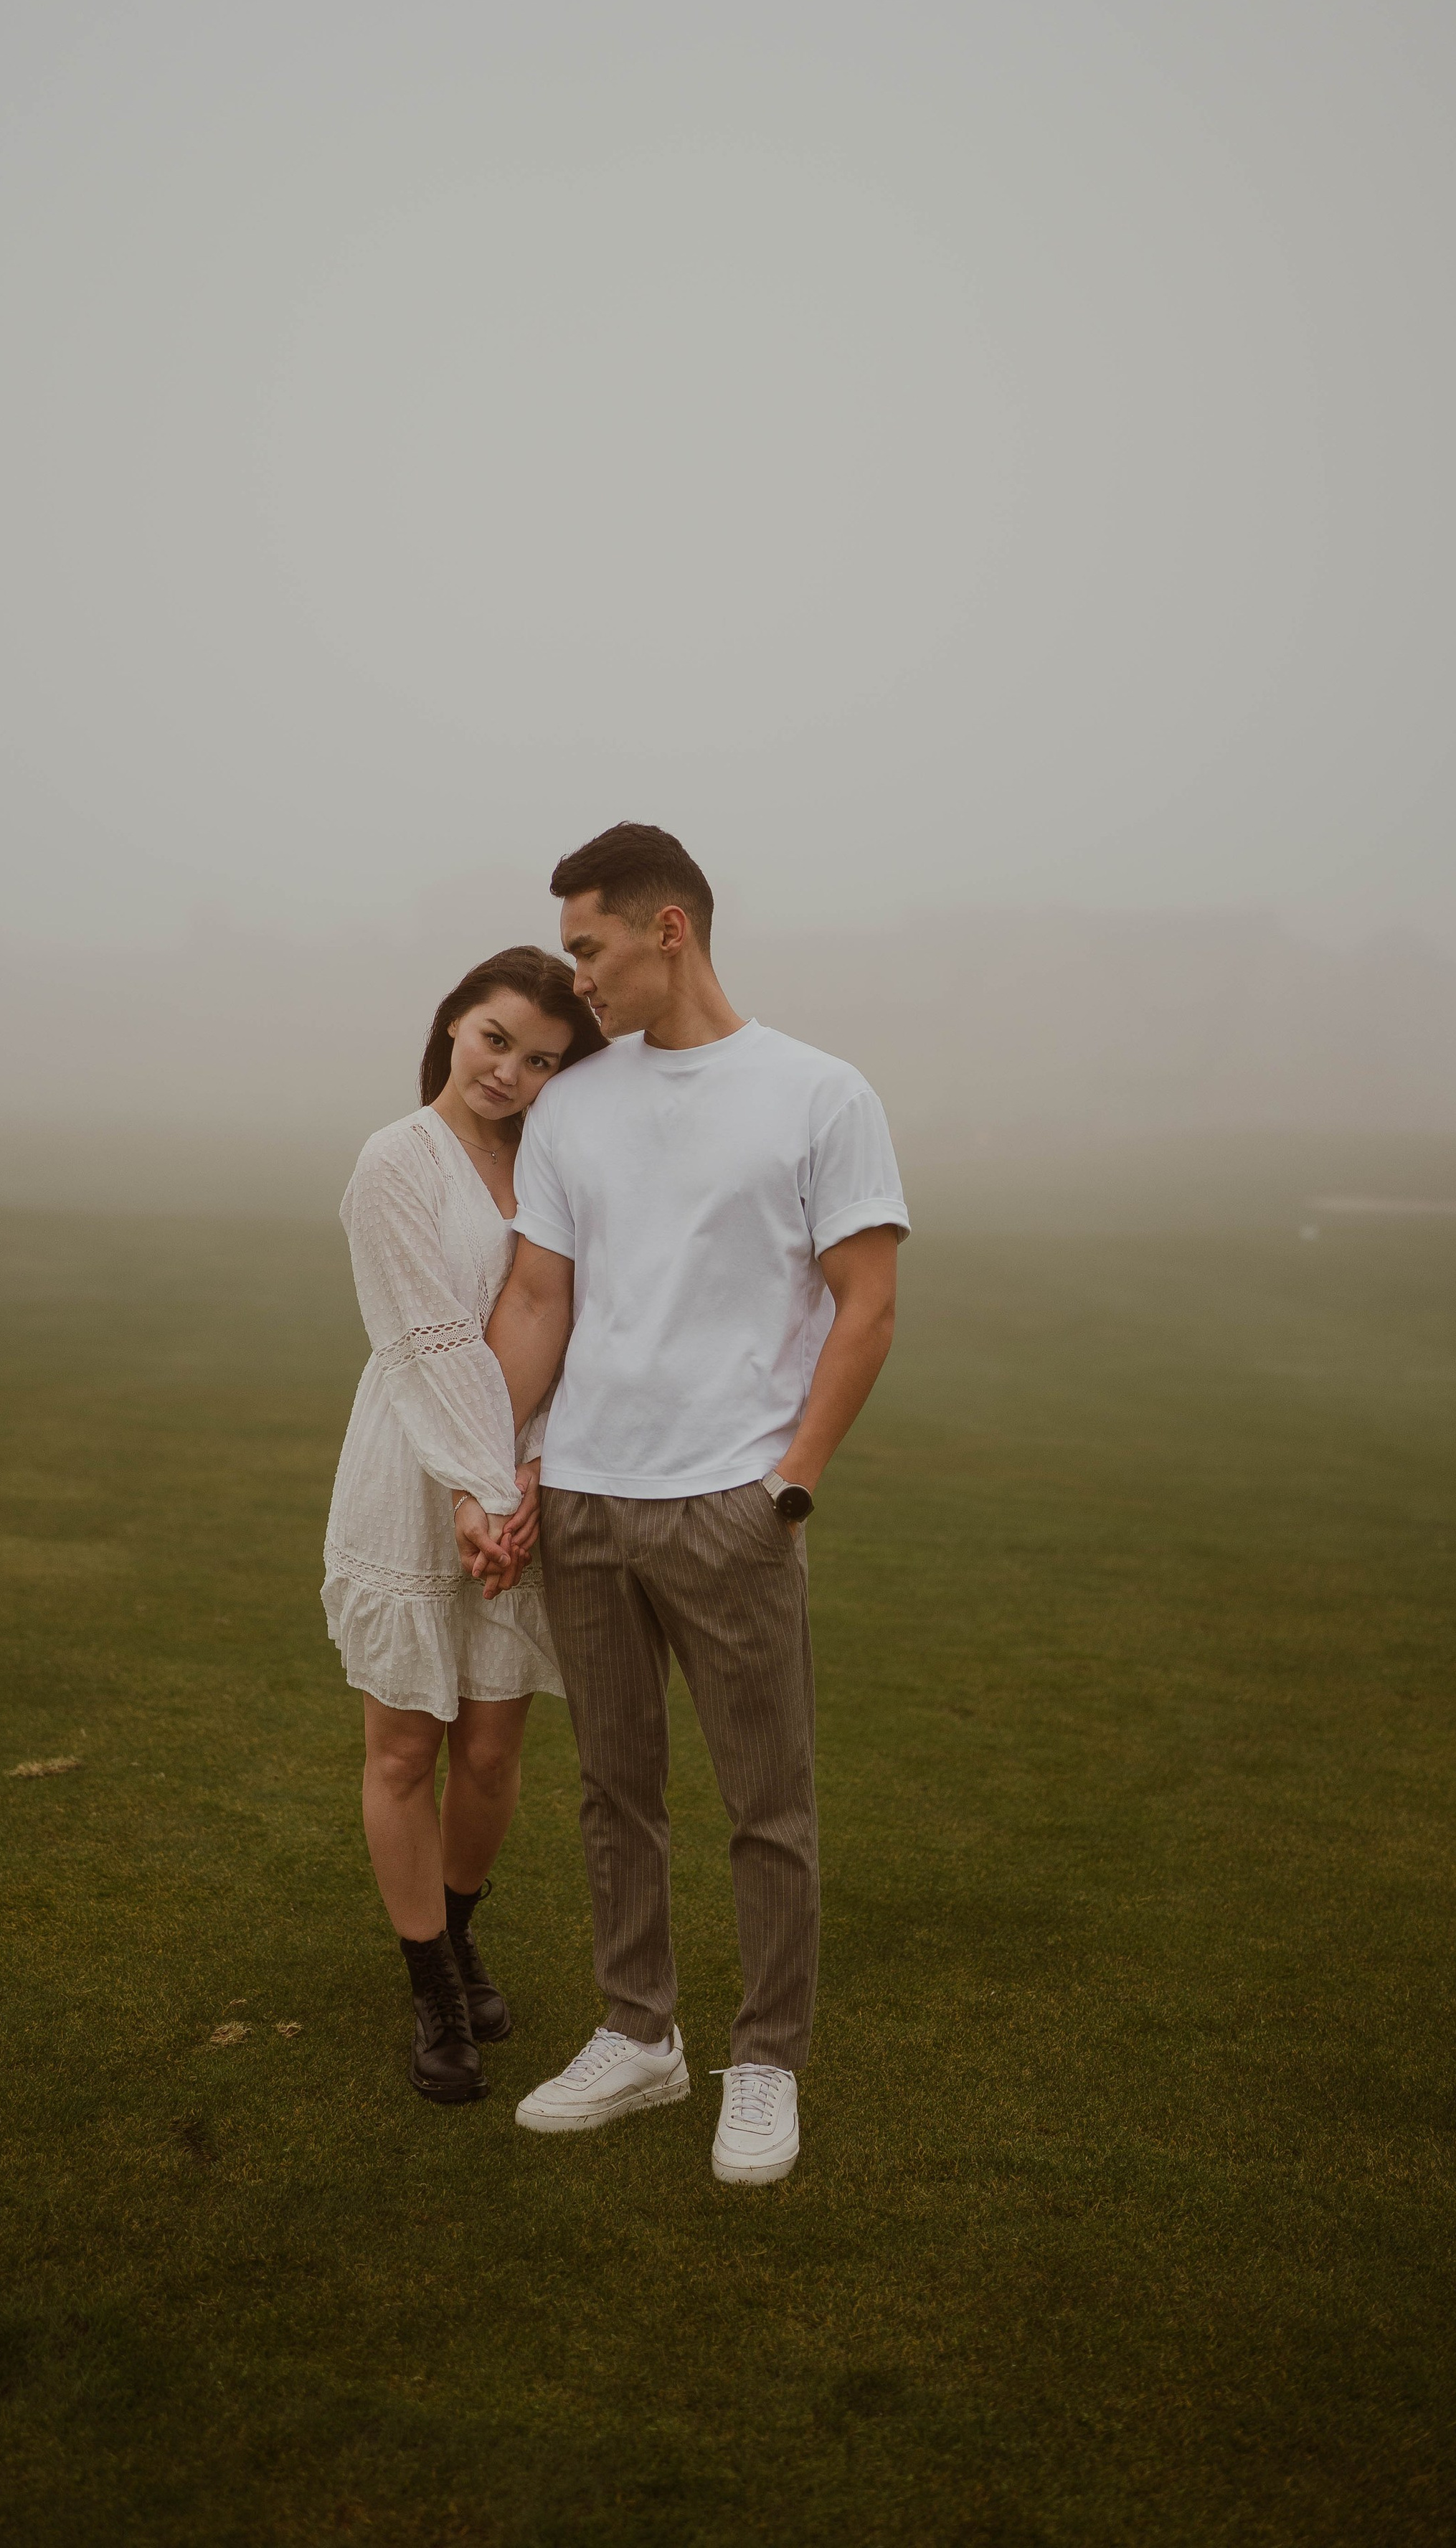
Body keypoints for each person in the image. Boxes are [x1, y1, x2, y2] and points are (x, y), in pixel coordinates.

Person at [473, 824, 907, 2183]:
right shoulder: (575, 1106)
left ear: (670, 931)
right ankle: (638, 2037)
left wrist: (791, 1485)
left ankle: (766, 2060)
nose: (576, 980)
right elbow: (540, 1295)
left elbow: (869, 1303)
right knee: (615, 1792)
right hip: (589, 1502)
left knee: (765, 1804)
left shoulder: (820, 1093)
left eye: (591, 949)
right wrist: (496, 1471)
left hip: (730, 1504)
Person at [322, 947, 605, 2105]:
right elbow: (424, 1339)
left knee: (492, 1749)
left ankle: (463, 1929)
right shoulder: (396, 1160)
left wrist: (527, 1476)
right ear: (452, 1026)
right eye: (496, 1040)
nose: (510, 1072)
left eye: (542, 1060)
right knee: (405, 1749)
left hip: (519, 1487)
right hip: (413, 1472)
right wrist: (473, 1488)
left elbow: (575, 1327)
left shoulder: (557, 1164)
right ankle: (432, 1984)